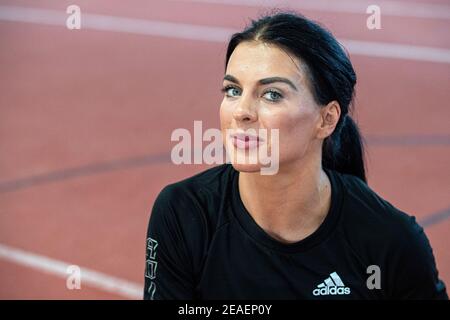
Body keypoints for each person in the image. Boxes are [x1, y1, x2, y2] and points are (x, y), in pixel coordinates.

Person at [143, 11, 448, 300]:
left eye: (272, 94)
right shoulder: (184, 214)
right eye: (233, 90)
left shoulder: (390, 240)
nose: (242, 112)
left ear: (326, 119)